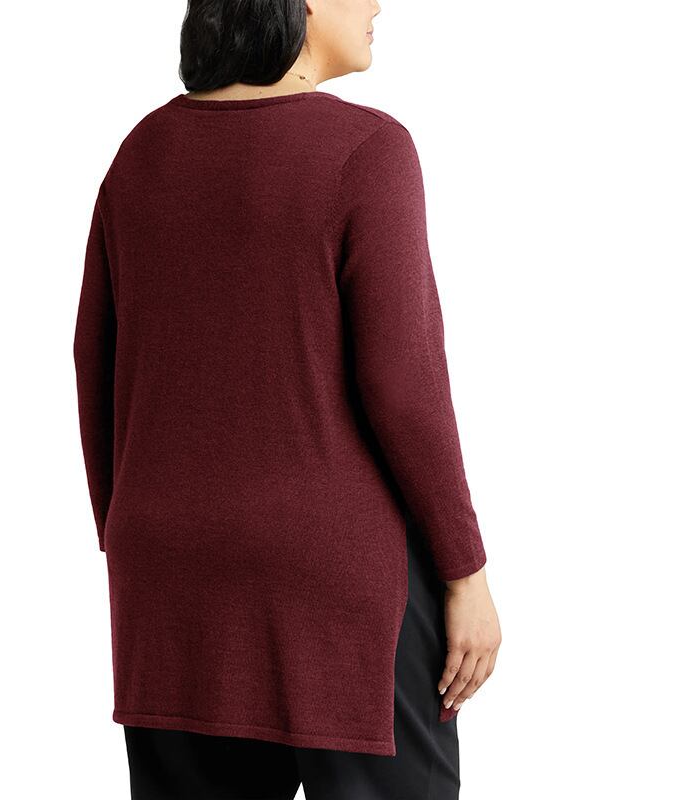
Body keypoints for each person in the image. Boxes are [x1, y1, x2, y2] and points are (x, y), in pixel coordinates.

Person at [73, 0, 502, 797]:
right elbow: (403, 384)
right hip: (336, 585)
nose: (377, 4)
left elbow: (93, 358)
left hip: (167, 579)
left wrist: (128, 527)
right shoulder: (367, 149)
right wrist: (464, 569)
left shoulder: (141, 153)